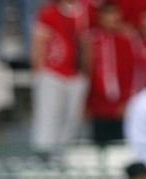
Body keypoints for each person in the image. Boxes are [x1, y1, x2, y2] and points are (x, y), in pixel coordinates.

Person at [31, 0, 90, 155]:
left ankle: (64, 153)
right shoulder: (49, 12)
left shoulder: (84, 11)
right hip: (52, 71)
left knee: (71, 118)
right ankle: (43, 152)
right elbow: (40, 40)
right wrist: (39, 69)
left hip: (76, 74)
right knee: (48, 114)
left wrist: (86, 72)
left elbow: (86, 42)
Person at [83, 2, 144, 146]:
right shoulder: (92, 39)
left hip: (122, 104)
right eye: (107, 15)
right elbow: (87, 72)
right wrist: (86, 102)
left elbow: (137, 71)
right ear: (100, 17)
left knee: (122, 146)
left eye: (114, 15)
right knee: (99, 145)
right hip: (99, 105)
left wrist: (129, 100)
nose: (111, 19)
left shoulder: (129, 38)